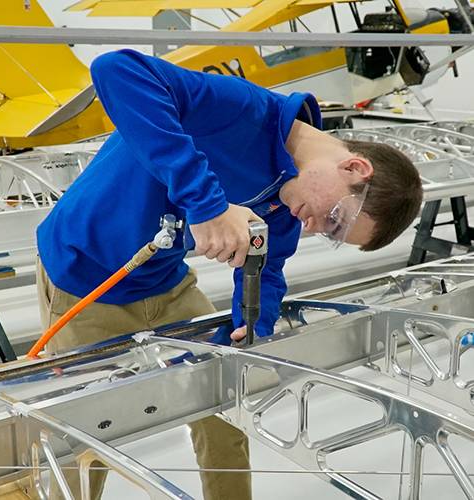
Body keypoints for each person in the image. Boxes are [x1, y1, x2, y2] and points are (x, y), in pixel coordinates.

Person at [36, 48, 423, 499]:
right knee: (90, 431)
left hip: (165, 281)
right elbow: (114, 69)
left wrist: (251, 323)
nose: (314, 227)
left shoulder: (288, 201)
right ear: (354, 167)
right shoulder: (242, 110)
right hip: (85, 275)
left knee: (222, 406)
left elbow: (267, 265)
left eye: (331, 234)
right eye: (334, 218)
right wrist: (207, 204)